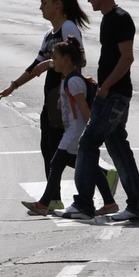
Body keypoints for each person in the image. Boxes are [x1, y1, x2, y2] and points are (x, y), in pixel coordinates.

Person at [55, 0, 139, 221]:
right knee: (119, 149)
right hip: (113, 94)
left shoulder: (119, 19)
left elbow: (127, 57)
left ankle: (84, 204)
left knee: (87, 144)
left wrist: (105, 87)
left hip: (114, 96)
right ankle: (138, 205)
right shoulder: (109, 19)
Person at [0, 0, 90, 212]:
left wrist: (54, 69)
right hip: (51, 98)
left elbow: (80, 61)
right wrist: (13, 86)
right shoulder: (50, 35)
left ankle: (95, 176)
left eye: (44, 2)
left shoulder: (69, 28)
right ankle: (55, 197)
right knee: (49, 148)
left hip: (63, 97)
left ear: (58, 4)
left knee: (58, 151)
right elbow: (36, 65)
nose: (40, 7)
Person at [22, 37, 118, 216]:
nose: (53, 62)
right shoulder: (69, 80)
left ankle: (44, 203)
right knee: (87, 165)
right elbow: (64, 106)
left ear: (66, 59)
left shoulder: (74, 81)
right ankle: (109, 202)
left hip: (76, 132)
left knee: (56, 163)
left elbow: (85, 108)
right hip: (74, 130)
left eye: (55, 58)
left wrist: (94, 133)